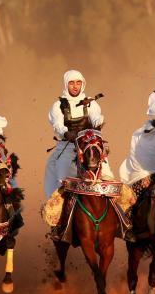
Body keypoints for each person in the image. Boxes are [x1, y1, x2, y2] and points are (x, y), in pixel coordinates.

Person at [43, 70, 107, 200]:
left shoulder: (91, 103)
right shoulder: (58, 105)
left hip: (88, 147)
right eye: (71, 83)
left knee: (107, 176)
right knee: (63, 183)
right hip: (67, 148)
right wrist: (66, 133)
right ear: (66, 84)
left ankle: (120, 213)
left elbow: (96, 118)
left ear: (83, 84)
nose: (75, 86)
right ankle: (59, 214)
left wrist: (97, 122)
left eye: (78, 82)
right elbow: (57, 124)